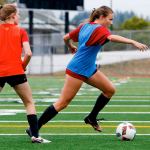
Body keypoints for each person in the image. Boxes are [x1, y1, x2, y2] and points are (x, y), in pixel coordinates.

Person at [27, 6, 148, 135]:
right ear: (101, 17)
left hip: (89, 68)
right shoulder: (100, 29)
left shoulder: (84, 26)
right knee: (62, 103)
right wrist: (133, 42)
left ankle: (91, 118)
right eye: (110, 19)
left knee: (109, 90)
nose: (111, 23)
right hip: (77, 69)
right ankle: (34, 129)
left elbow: (65, 37)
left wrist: (70, 47)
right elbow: (112, 38)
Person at [0, 4, 50, 143]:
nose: (20, 16)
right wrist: (22, 66)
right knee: (29, 103)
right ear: (12, 16)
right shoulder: (20, 31)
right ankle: (35, 135)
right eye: (18, 14)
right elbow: (28, 53)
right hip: (17, 71)